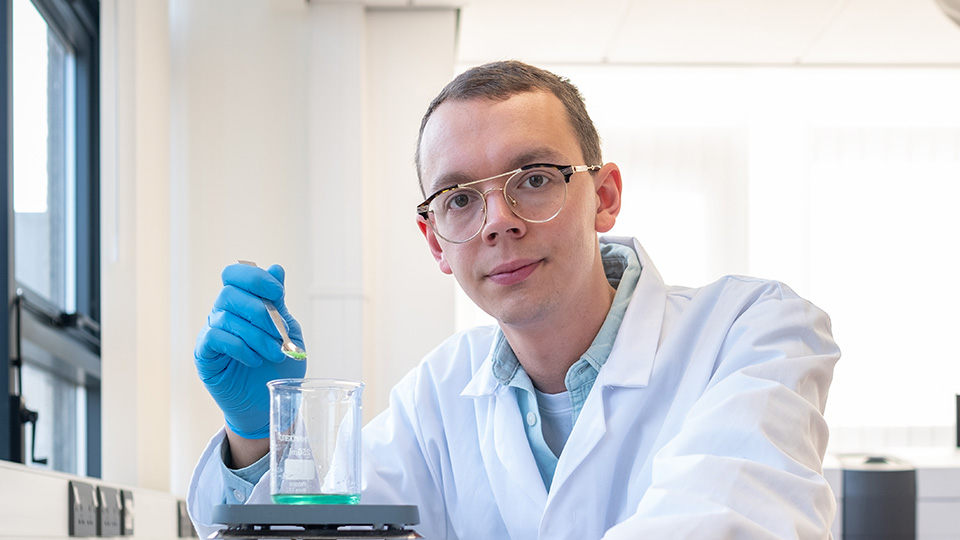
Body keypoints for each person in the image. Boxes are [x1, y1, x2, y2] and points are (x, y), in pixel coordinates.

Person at [188, 61, 840, 539]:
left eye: (533, 179)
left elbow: (727, 521)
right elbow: (320, 530)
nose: (498, 221)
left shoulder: (751, 333)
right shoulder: (437, 397)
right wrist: (257, 438)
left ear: (605, 196)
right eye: (461, 199)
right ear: (436, 241)